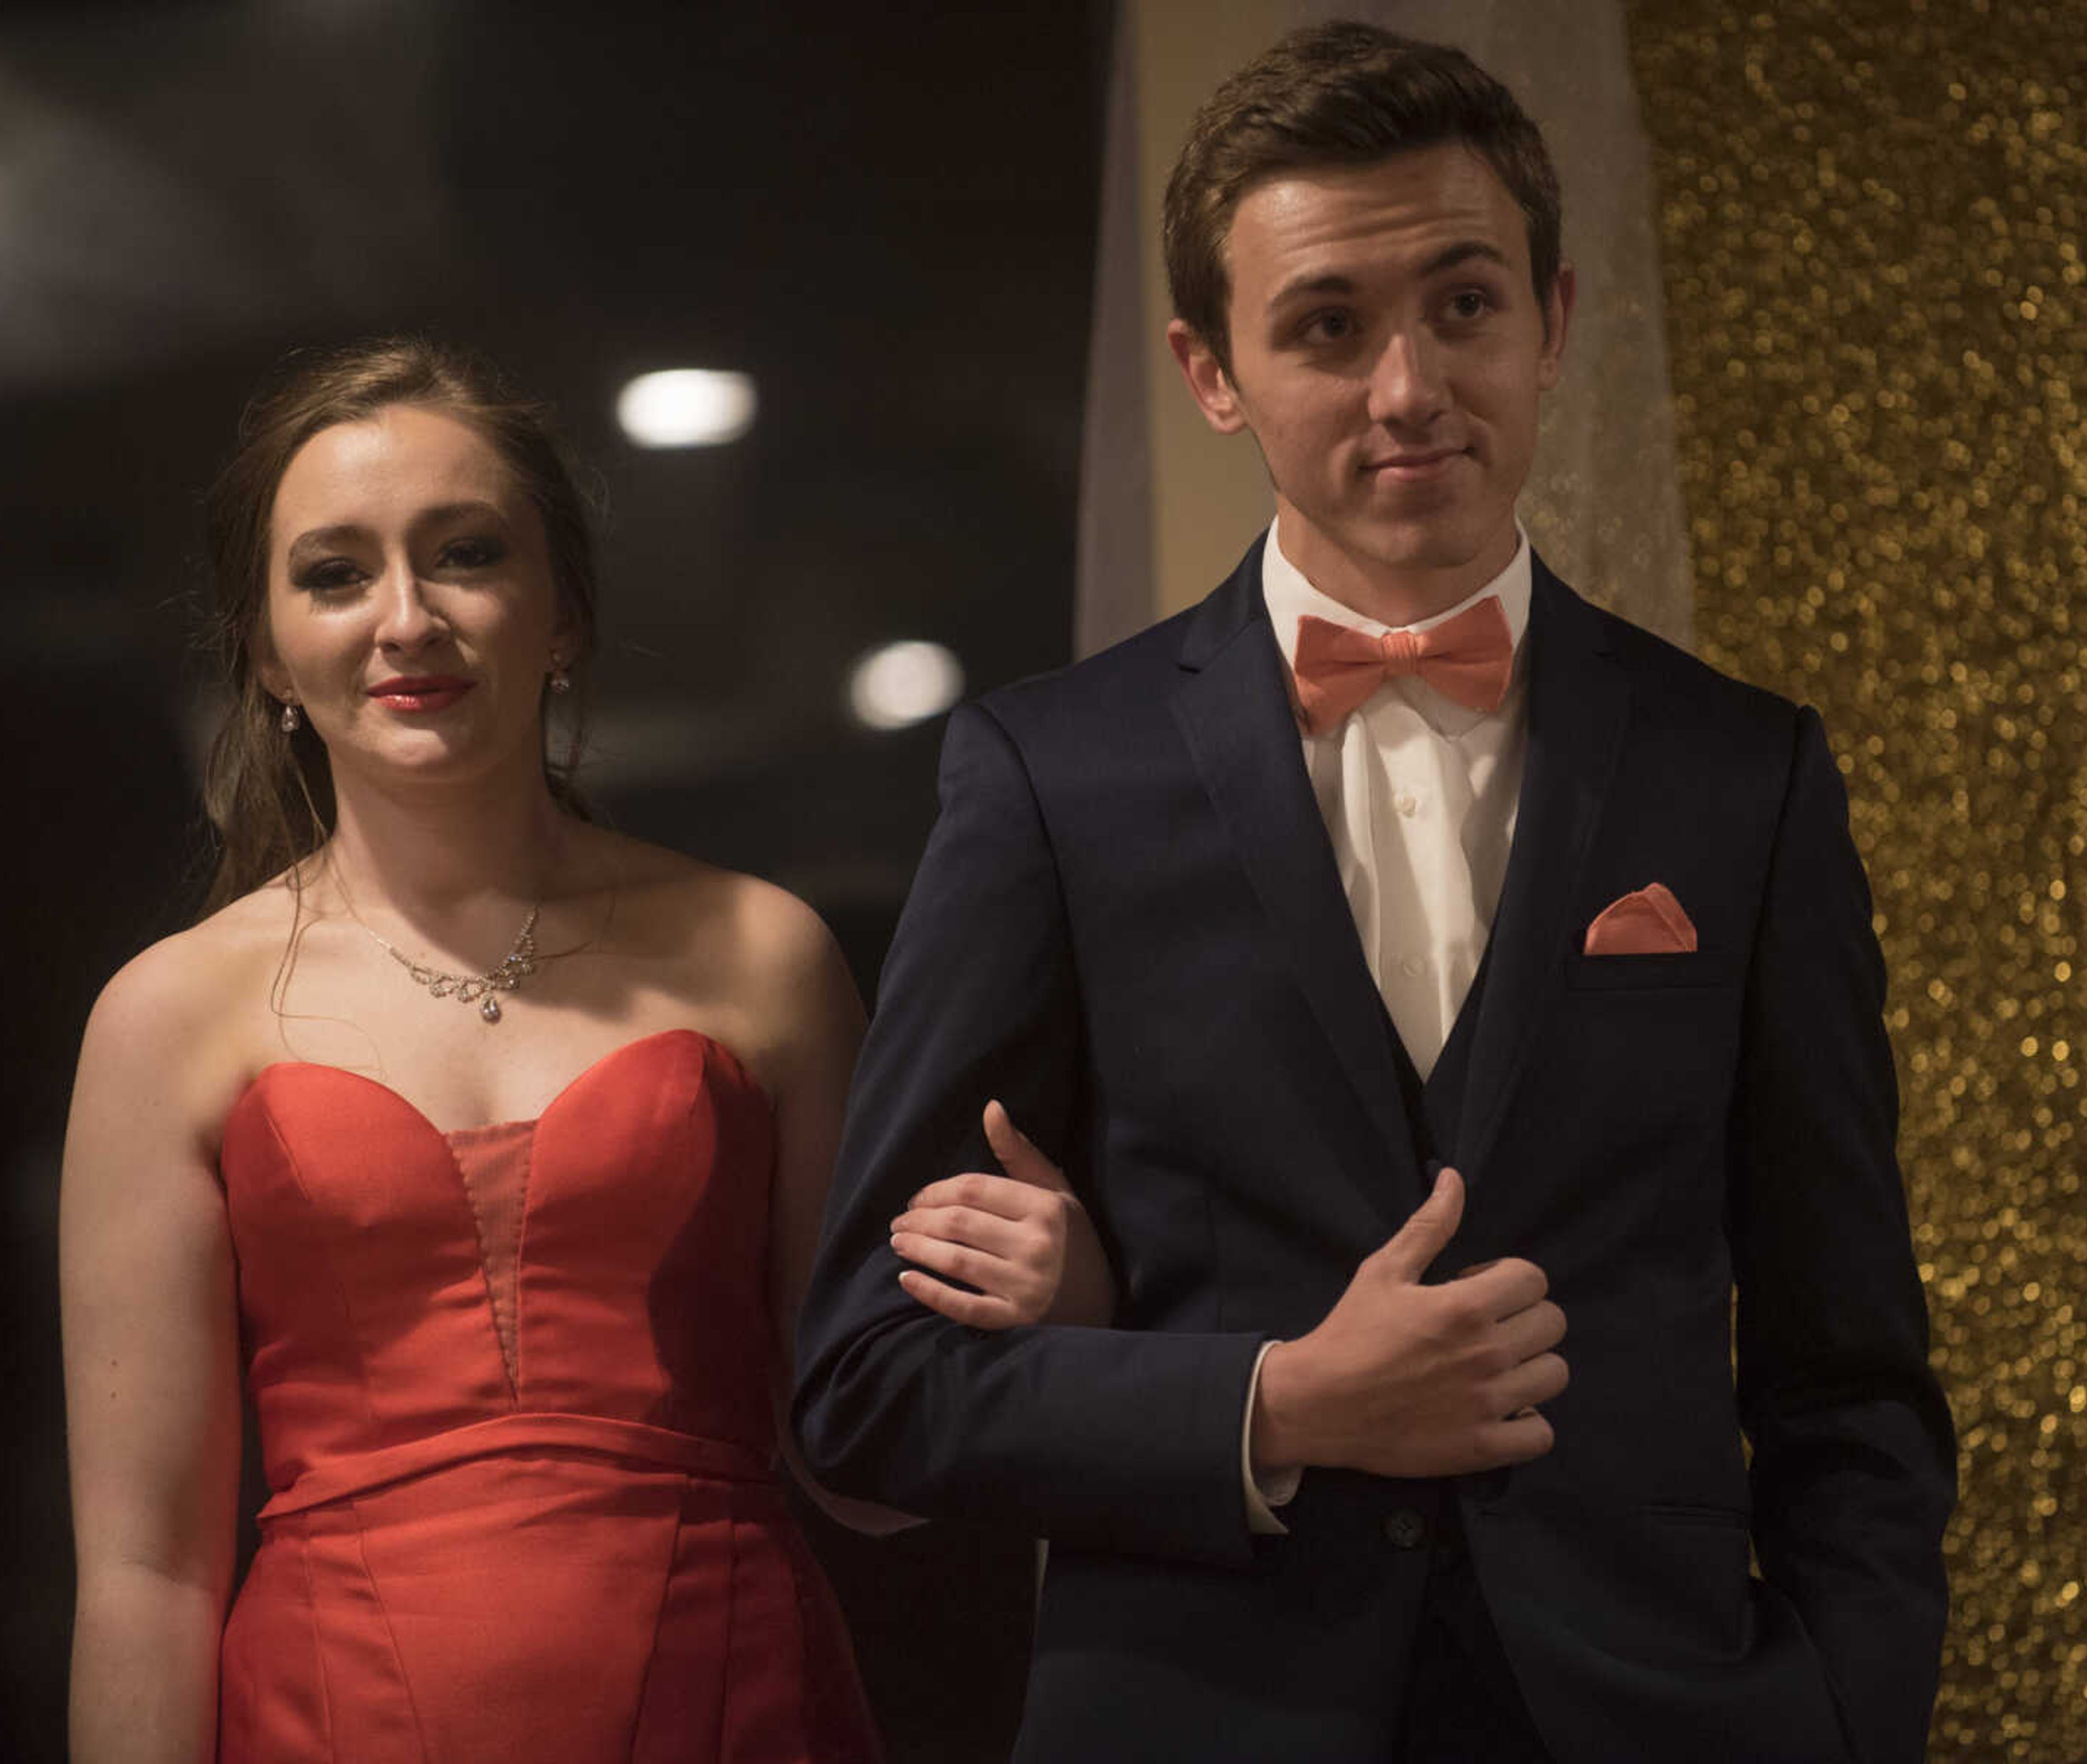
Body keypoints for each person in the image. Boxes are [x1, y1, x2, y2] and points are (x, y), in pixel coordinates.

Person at [795, 22, 1954, 1764]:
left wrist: (1838, 1718)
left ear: (1554, 320)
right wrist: (1272, 1404)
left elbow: (1849, 1368)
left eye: (1465, 304)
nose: (1409, 386)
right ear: (1210, 368)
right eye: (1328, 326)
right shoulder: (1049, 779)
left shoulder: (1746, 776)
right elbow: (864, 1381)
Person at [58, 338, 1080, 1762]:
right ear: (265, 648)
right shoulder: (168, 1017)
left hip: (736, 1703)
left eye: (464, 553)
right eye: (336, 573)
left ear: (565, 617)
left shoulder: (761, 954)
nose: (405, 617)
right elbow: (147, 1579)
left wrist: (1037, 1315)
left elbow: (874, 1474)